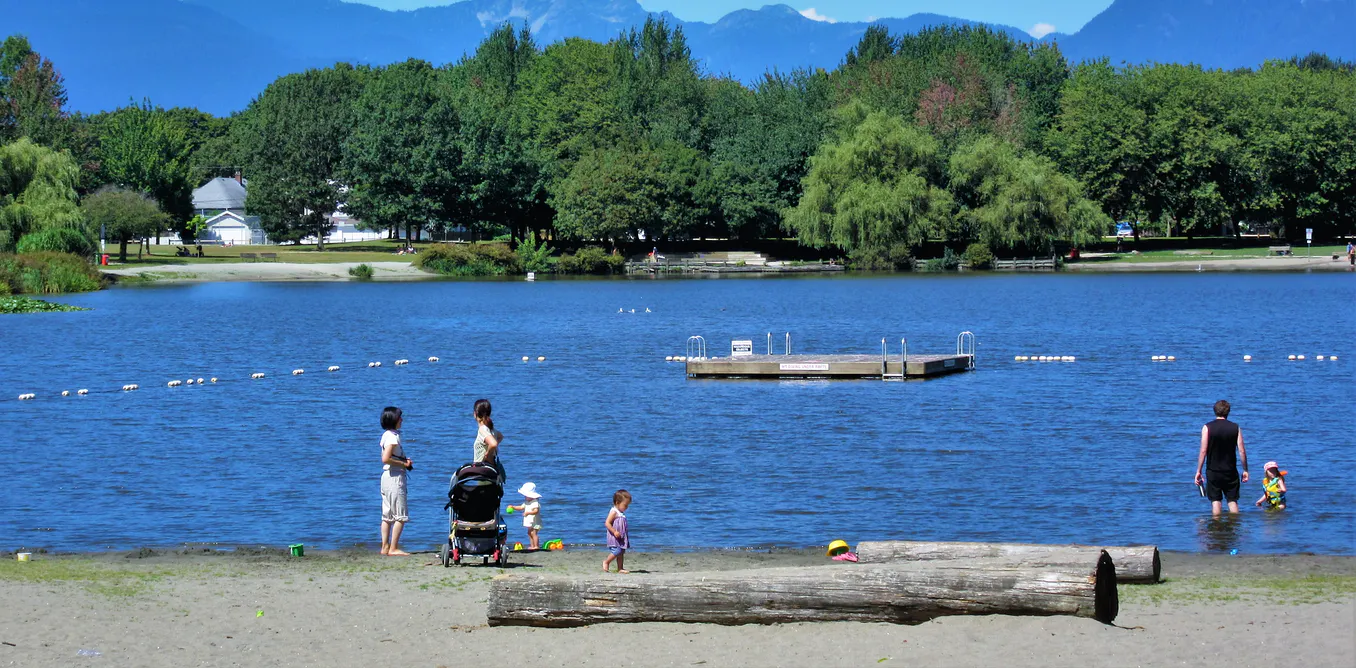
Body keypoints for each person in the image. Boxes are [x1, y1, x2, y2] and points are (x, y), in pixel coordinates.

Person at [1194, 400, 1249, 515]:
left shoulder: (1207, 427)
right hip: (1230, 471)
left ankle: (1216, 528)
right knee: (1232, 501)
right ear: (1228, 412)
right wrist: (1245, 470)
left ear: (1215, 411)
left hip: (1213, 471)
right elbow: (1242, 451)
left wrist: (1198, 471)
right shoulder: (1235, 427)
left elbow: (1203, 451)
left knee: (1216, 501)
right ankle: (1235, 526)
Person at [379, 406, 413, 556]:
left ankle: (385, 547)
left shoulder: (386, 435)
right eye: (400, 418)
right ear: (394, 420)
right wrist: (404, 464)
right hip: (394, 478)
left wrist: (403, 460)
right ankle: (393, 548)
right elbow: (385, 458)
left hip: (386, 477)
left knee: (387, 516)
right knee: (400, 515)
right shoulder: (393, 437)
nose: (402, 420)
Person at [472, 398, 506, 483]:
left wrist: (487, 454)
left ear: (475, 414)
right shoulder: (491, 429)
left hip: (483, 470)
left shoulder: (482, 430)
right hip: (492, 469)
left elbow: (493, 444)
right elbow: (500, 437)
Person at [603, 489, 631, 574]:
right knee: (617, 550)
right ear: (617, 503)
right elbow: (607, 523)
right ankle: (606, 561)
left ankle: (620, 568)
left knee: (621, 552)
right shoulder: (614, 512)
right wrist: (614, 531)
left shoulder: (620, 513)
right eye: (625, 505)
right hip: (614, 536)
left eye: (627, 505)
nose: (626, 507)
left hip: (620, 536)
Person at [508, 482, 543, 549]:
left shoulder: (535, 502)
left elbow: (536, 511)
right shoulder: (526, 502)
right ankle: (532, 545)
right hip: (529, 521)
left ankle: (536, 546)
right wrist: (513, 507)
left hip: (535, 521)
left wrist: (528, 513)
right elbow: (521, 507)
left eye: (526, 495)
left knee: (534, 533)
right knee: (529, 533)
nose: (525, 497)